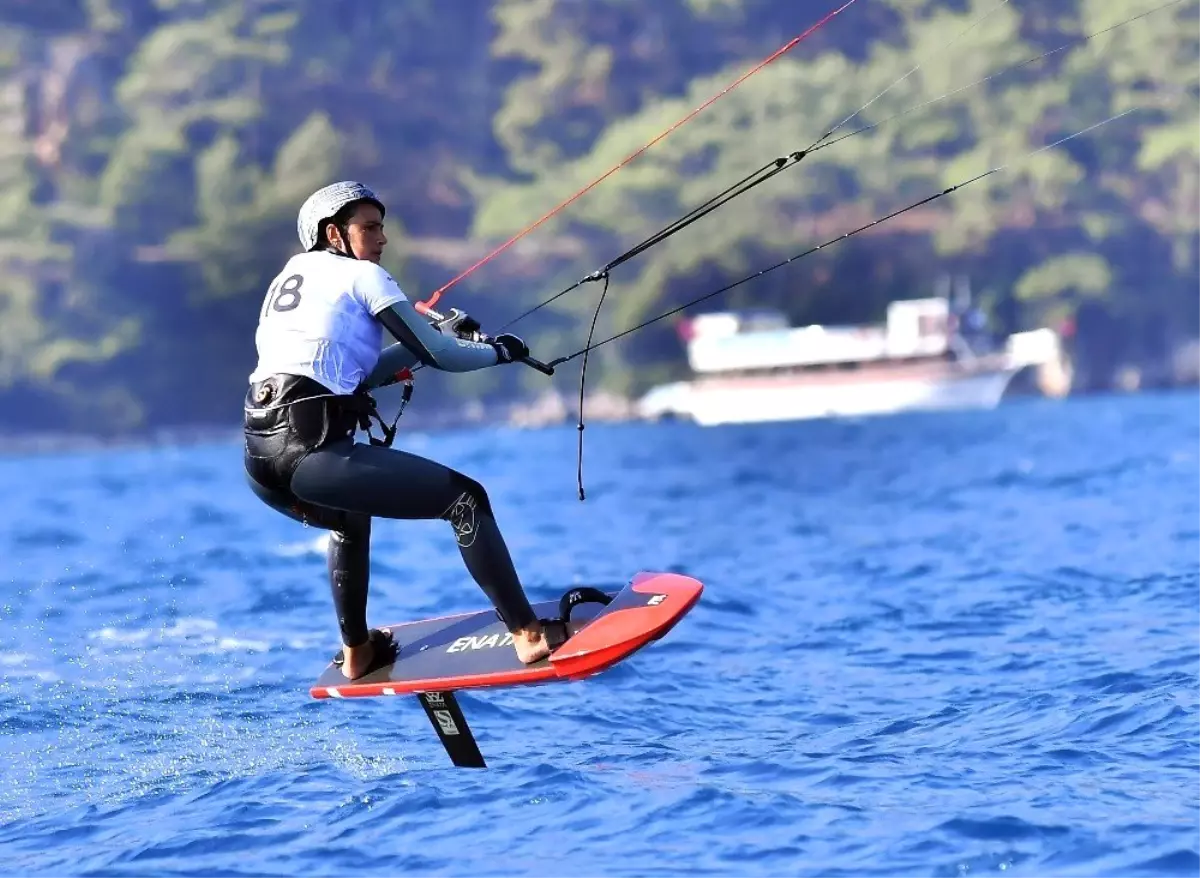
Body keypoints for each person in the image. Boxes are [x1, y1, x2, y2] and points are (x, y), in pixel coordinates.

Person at [243, 180, 551, 680]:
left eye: (381, 227)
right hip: (310, 450)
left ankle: (358, 652)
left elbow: (356, 375)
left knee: (350, 517)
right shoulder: (364, 277)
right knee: (465, 500)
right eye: (369, 227)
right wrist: (501, 351)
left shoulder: (291, 277)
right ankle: (528, 634)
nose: (382, 238)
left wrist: (433, 337)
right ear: (334, 234)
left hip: (261, 457)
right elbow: (443, 358)